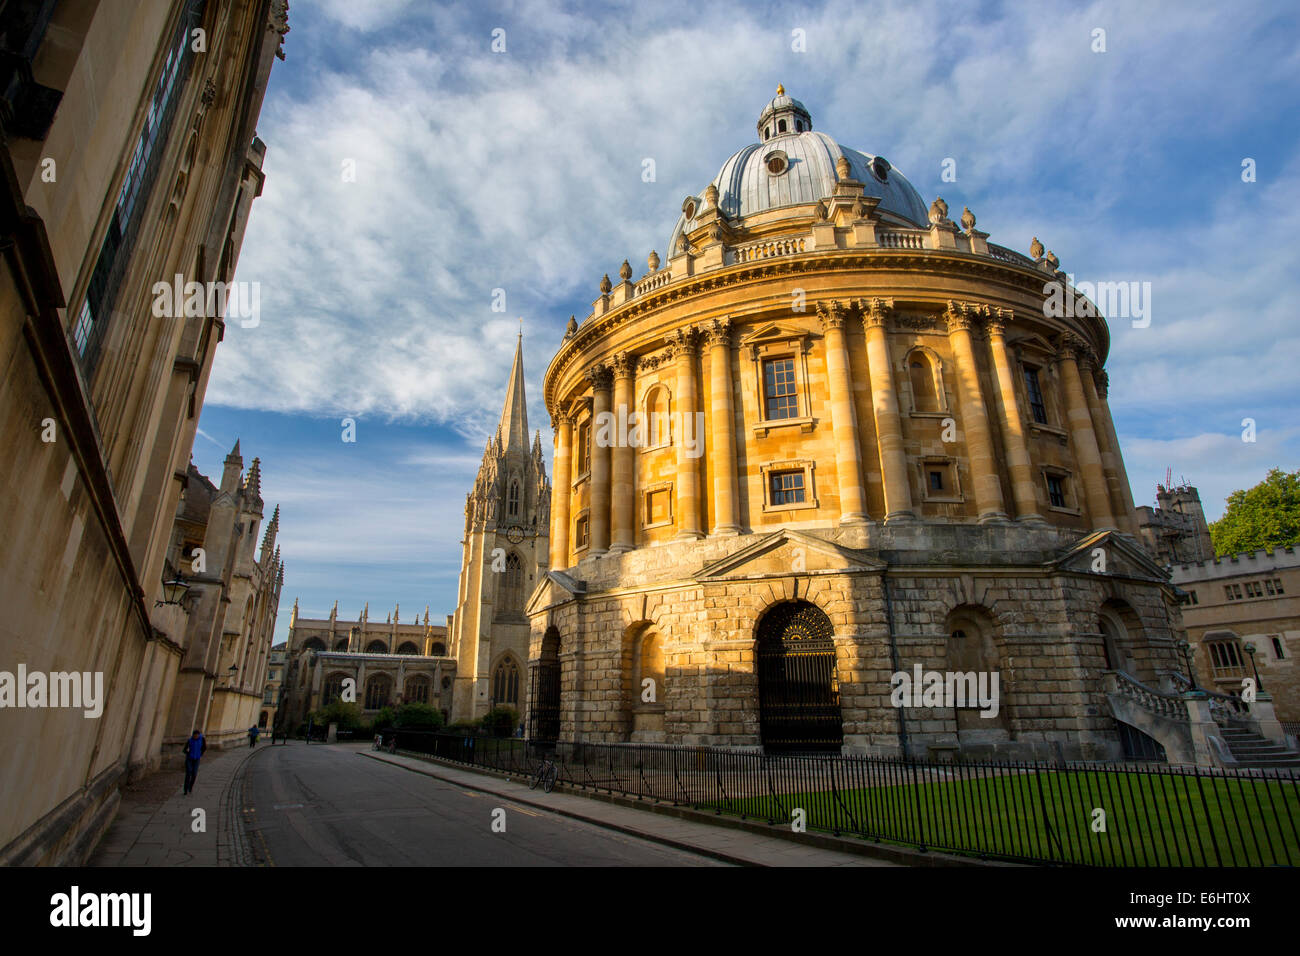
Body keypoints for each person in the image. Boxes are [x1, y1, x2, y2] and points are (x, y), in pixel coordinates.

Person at [182, 730, 206, 795]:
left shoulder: (202, 739)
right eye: (194, 736)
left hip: (197, 759)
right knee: (188, 772)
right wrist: (188, 752)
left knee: (194, 774)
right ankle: (185, 789)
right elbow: (184, 750)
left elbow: (204, 748)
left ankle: (190, 787)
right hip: (189, 759)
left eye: (196, 736)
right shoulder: (190, 740)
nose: (195, 737)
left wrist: (200, 754)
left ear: (198, 735)